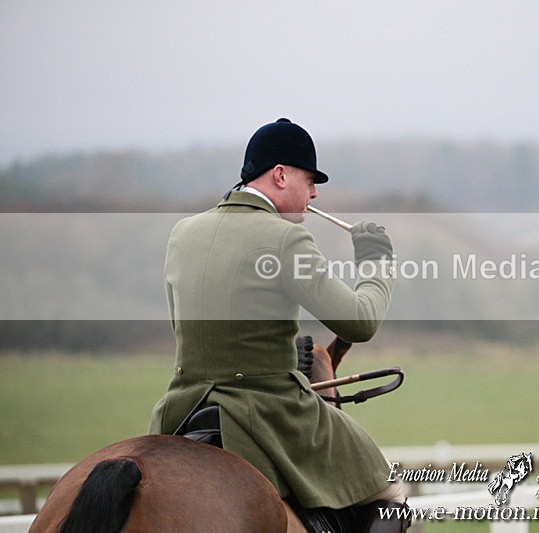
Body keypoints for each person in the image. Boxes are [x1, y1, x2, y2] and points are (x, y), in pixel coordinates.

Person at [149, 118, 408, 532]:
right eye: (310, 180)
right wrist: (377, 263)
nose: (314, 193)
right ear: (281, 175)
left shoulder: (183, 233)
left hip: (182, 410)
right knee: (389, 492)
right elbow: (360, 322)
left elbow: (181, 325)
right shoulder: (286, 239)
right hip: (268, 412)